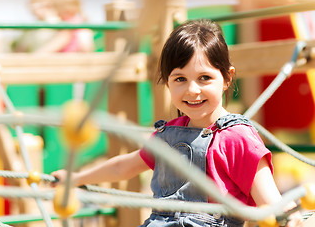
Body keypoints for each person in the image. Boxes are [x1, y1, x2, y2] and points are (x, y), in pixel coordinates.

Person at [51, 19, 302, 227]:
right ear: (167, 82)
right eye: (180, 78)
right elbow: (123, 167)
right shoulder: (168, 135)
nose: (192, 90)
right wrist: (76, 178)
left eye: (204, 78)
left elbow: (271, 201)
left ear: (227, 78)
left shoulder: (237, 138)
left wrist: (290, 217)